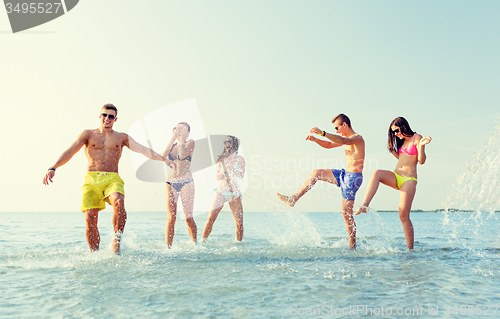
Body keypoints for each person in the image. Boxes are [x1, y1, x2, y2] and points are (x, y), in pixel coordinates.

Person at [42, 104, 174, 253]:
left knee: (119, 201)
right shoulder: (88, 134)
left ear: (115, 119)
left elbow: (143, 149)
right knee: (90, 217)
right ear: (100, 116)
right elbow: (70, 152)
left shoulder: (121, 137)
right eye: (104, 115)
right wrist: (53, 167)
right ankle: (95, 254)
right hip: (91, 179)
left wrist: (164, 159)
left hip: (112, 178)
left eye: (111, 116)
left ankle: (116, 242)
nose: (107, 118)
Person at [277, 114, 365, 249]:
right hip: (345, 174)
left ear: (345, 125)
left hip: (353, 178)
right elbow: (329, 144)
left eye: (337, 128)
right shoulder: (345, 139)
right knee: (316, 173)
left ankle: (352, 247)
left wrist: (323, 132)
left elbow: (341, 139)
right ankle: (294, 198)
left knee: (347, 214)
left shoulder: (357, 139)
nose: (336, 130)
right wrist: (315, 140)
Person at [354, 117, 431, 250]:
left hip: (409, 180)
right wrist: (393, 150)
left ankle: (410, 249)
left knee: (403, 215)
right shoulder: (402, 142)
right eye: (393, 132)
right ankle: (365, 205)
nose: (395, 134)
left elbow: (421, 160)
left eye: (396, 130)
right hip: (396, 176)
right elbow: (403, 159)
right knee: (376, 173)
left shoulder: (417, 138)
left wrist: (422, 146)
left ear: (403, 126)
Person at [202, 136, 245, 241]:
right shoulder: (221, 158)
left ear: (234, 144)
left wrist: (232, 169)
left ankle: (238, 245)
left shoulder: (239, 159)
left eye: (229, 142)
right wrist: (225, 169)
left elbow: (241, 176)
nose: (227, 144)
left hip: (234, 193)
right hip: (220, 192)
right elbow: (217, 176)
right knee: (211, 219)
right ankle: (203, 242)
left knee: (239, 223)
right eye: (225, 142)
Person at [163, 122, 196, 247]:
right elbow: (164, 155)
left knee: (188, 217)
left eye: (183, 129)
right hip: (170, 182)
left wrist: (181, 138)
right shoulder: (173, 145)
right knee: (171, 218)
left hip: (186, 182)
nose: (180, 130)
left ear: (188, 133)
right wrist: (173, 137)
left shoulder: (190, 142)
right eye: (178, 128)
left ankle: (195, 244)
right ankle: (168, 248)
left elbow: (182, 155)